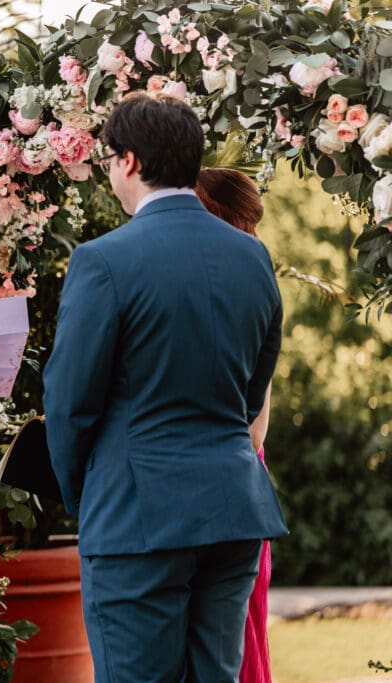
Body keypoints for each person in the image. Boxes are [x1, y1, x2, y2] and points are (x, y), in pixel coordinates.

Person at [42, 92, 288, 681]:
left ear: (128, 160)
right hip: (232, 514)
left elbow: (70, 403)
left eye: (108, 158)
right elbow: (254, 388)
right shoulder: (252, 257)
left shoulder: (103, 260)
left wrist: (87, 496)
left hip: (134, 519)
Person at [195, 167, 274, 683]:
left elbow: (255, 429)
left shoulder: (248, 283)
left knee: (236, 645)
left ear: (219, 214)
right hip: (226, 482)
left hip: (234, 486)